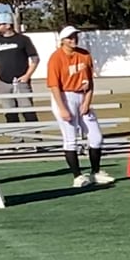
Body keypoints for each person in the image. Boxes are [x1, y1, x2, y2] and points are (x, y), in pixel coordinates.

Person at [45, 26, 111, 187]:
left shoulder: (84, 54)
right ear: (62, 40)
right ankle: (77, 176)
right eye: (69, 37)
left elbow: (90, 81)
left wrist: (87, 101)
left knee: (96, 137)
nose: (73, 39)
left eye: (75, 36)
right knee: (70, 139)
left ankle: (95, 172)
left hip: (82, 96)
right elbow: (54, 85)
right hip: (65, 96)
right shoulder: (56, 57)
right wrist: (62, 108)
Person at [0, 13, 39, 123]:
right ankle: (15, 133)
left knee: (28, 111)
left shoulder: (23, 40)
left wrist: (27, 76)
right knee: (9, 113)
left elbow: (35, 59)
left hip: (21, 83)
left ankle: (34, 133)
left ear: (8, 25)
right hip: (3, 83)